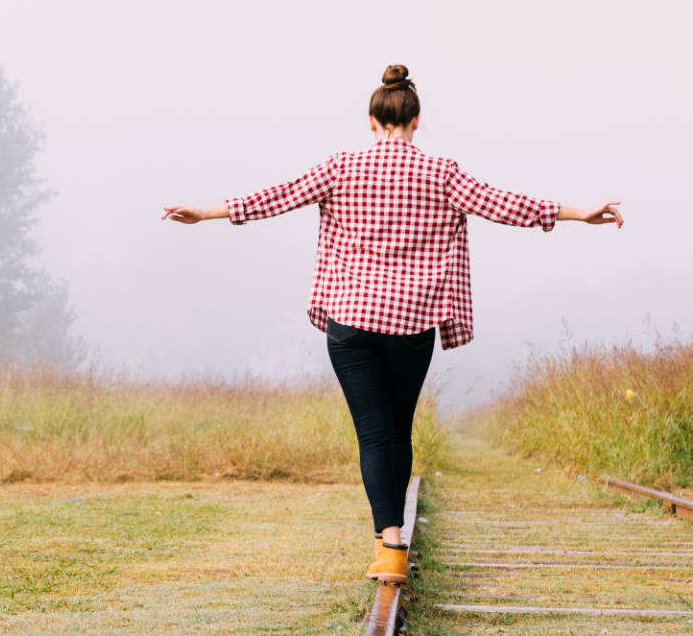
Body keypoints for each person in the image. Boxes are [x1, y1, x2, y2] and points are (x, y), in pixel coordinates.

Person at [161, 65, 623, 584]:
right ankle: (391, 540)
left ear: (371, 121)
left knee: (374, 436)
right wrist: (579, 213)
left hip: (351, 322)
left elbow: (275, 197)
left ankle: (390, 545)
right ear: (417, 121)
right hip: (412, 324)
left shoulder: (341, 167)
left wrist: (205, 212)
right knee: (397, 430)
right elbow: (506, 205)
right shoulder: (442, 172)